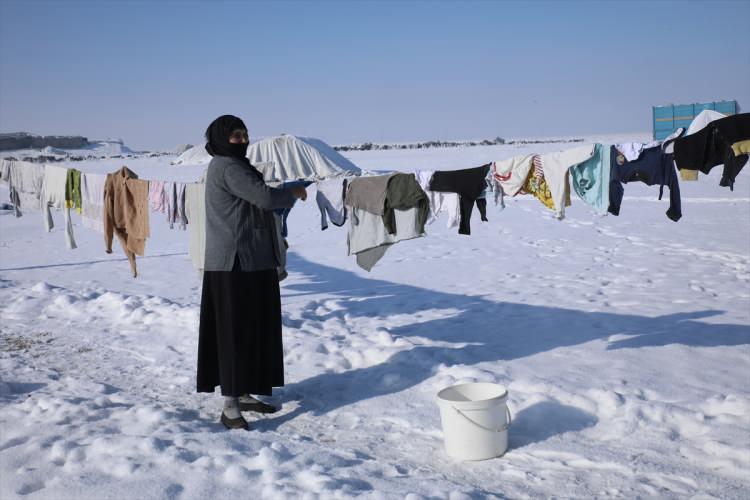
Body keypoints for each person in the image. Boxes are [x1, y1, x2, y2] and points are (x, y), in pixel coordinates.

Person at [196, 115, 307, 430]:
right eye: (235, 136)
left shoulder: (236, 165)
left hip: (251, 260)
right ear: (221, 138)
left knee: (249, 330)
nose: (242, 140)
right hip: (235, 264)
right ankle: (230, 407)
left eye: (244, 134)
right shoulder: (228, 166)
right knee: (234, 333)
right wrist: (293, 192)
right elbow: (265, 198)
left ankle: (242, 392)